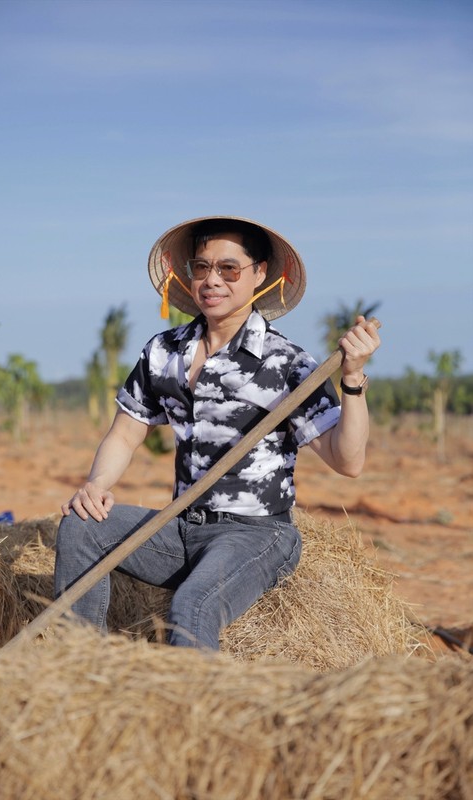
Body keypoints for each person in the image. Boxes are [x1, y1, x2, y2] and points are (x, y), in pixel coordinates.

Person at [54, 215, 380, 650]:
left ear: (260, 274)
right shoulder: (163, 353)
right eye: (201, 267)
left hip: (256, 534)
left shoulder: (286, 364)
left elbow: (349, 461)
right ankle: (77, 673)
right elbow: (125, 435)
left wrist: (353, 380)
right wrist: (96, 485)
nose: (212, 281)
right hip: (180, 526)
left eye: (229, 269)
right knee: (81, 526)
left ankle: (191, 715)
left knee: (192, 609)